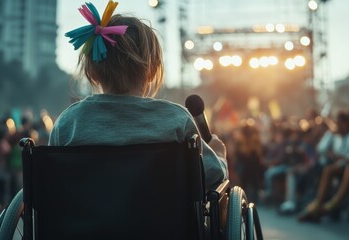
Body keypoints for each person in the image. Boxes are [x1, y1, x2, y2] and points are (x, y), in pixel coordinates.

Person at [49, 1, 228, 190]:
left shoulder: (68, 123)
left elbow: (51, 182)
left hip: (83, 220)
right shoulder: (176, 120)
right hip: (162, 220)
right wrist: (219, 155)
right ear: (152, 71)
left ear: (92, 72)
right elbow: (213, 178)